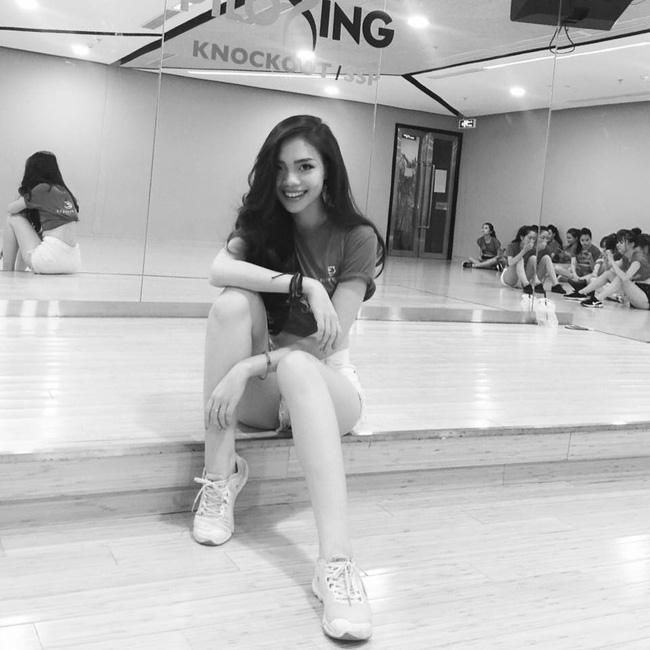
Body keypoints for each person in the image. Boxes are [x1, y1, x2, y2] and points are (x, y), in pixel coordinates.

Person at [193, 115, 385, 641]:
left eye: (305, 167)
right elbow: (218, 270)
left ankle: (336, 565)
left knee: (300, 363)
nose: (291, 181)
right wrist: (303, 285)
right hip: (268, 394)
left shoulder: (357, 237)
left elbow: (327, 342)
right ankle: (219, 478)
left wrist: (250, 366)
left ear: (328, 171)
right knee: (231, 305)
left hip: (327, 386)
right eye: (280, 169)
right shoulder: (262, 225)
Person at [2, 151, 81, 273]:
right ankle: (18, 272)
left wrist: (22, 193)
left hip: (50, 260)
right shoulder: (65, 192)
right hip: (73, 263)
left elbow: (11, 209)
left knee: (13, 218)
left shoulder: (42, 189)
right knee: (34, 230)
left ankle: (7, 270)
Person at [569, 230, 650, 308]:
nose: (618, 245)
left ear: (631, 244)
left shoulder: (638, 259)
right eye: (618, 242)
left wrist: (611, 260)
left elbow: (625, 278)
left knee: (621, 278)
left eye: (621, 242)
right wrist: (606, 259)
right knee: (609, 274)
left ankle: (597, 299)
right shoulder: (626, 257)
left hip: (646, 298)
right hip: (635, 293)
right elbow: (608, 271)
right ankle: (581, 293)